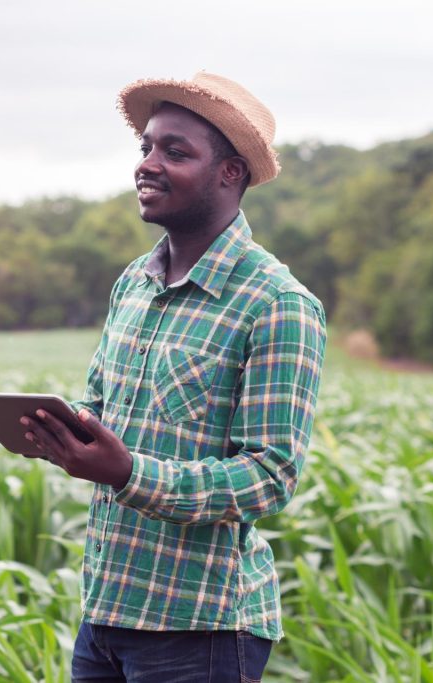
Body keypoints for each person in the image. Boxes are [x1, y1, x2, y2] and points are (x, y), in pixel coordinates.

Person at [21, 72, 327, 682]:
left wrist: (129, 474)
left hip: (202, 631)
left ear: (230, 173)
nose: (148, 165)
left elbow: (268, 477)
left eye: (175, 152)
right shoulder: (133, 282)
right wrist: (66, 431)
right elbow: (108, 407)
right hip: (105, 612)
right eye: (147, 148)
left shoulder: (277, 303)